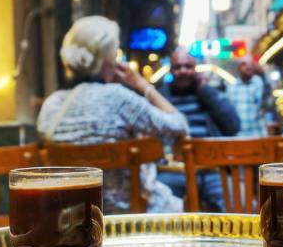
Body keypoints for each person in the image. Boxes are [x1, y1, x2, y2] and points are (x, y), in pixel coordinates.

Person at [37, 16, 189, 214]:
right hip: (135, 218)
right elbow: (179, 124)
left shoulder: (51, 106)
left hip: (76, 222)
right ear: (107, 58)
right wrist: (142, 85)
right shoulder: (119, 98)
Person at [157, 49, 240, 211]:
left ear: (195, 69)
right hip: (173, 170)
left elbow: (233, 126)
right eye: (177, 67)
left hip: (211, 169)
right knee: (161, 209)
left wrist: (205, 91)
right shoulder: (161, 97)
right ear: (171, 70)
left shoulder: (209, 93)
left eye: (187, 67)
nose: (183, 71)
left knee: (231, 210)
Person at [226, 56, 268, 138]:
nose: (248, 67)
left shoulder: (259, 83)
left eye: (250, 64)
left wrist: (263, 73)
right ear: (238, 68)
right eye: (244, 64)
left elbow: (268, 102)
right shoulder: (231, 88)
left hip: (258, 135)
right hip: (239, 136)